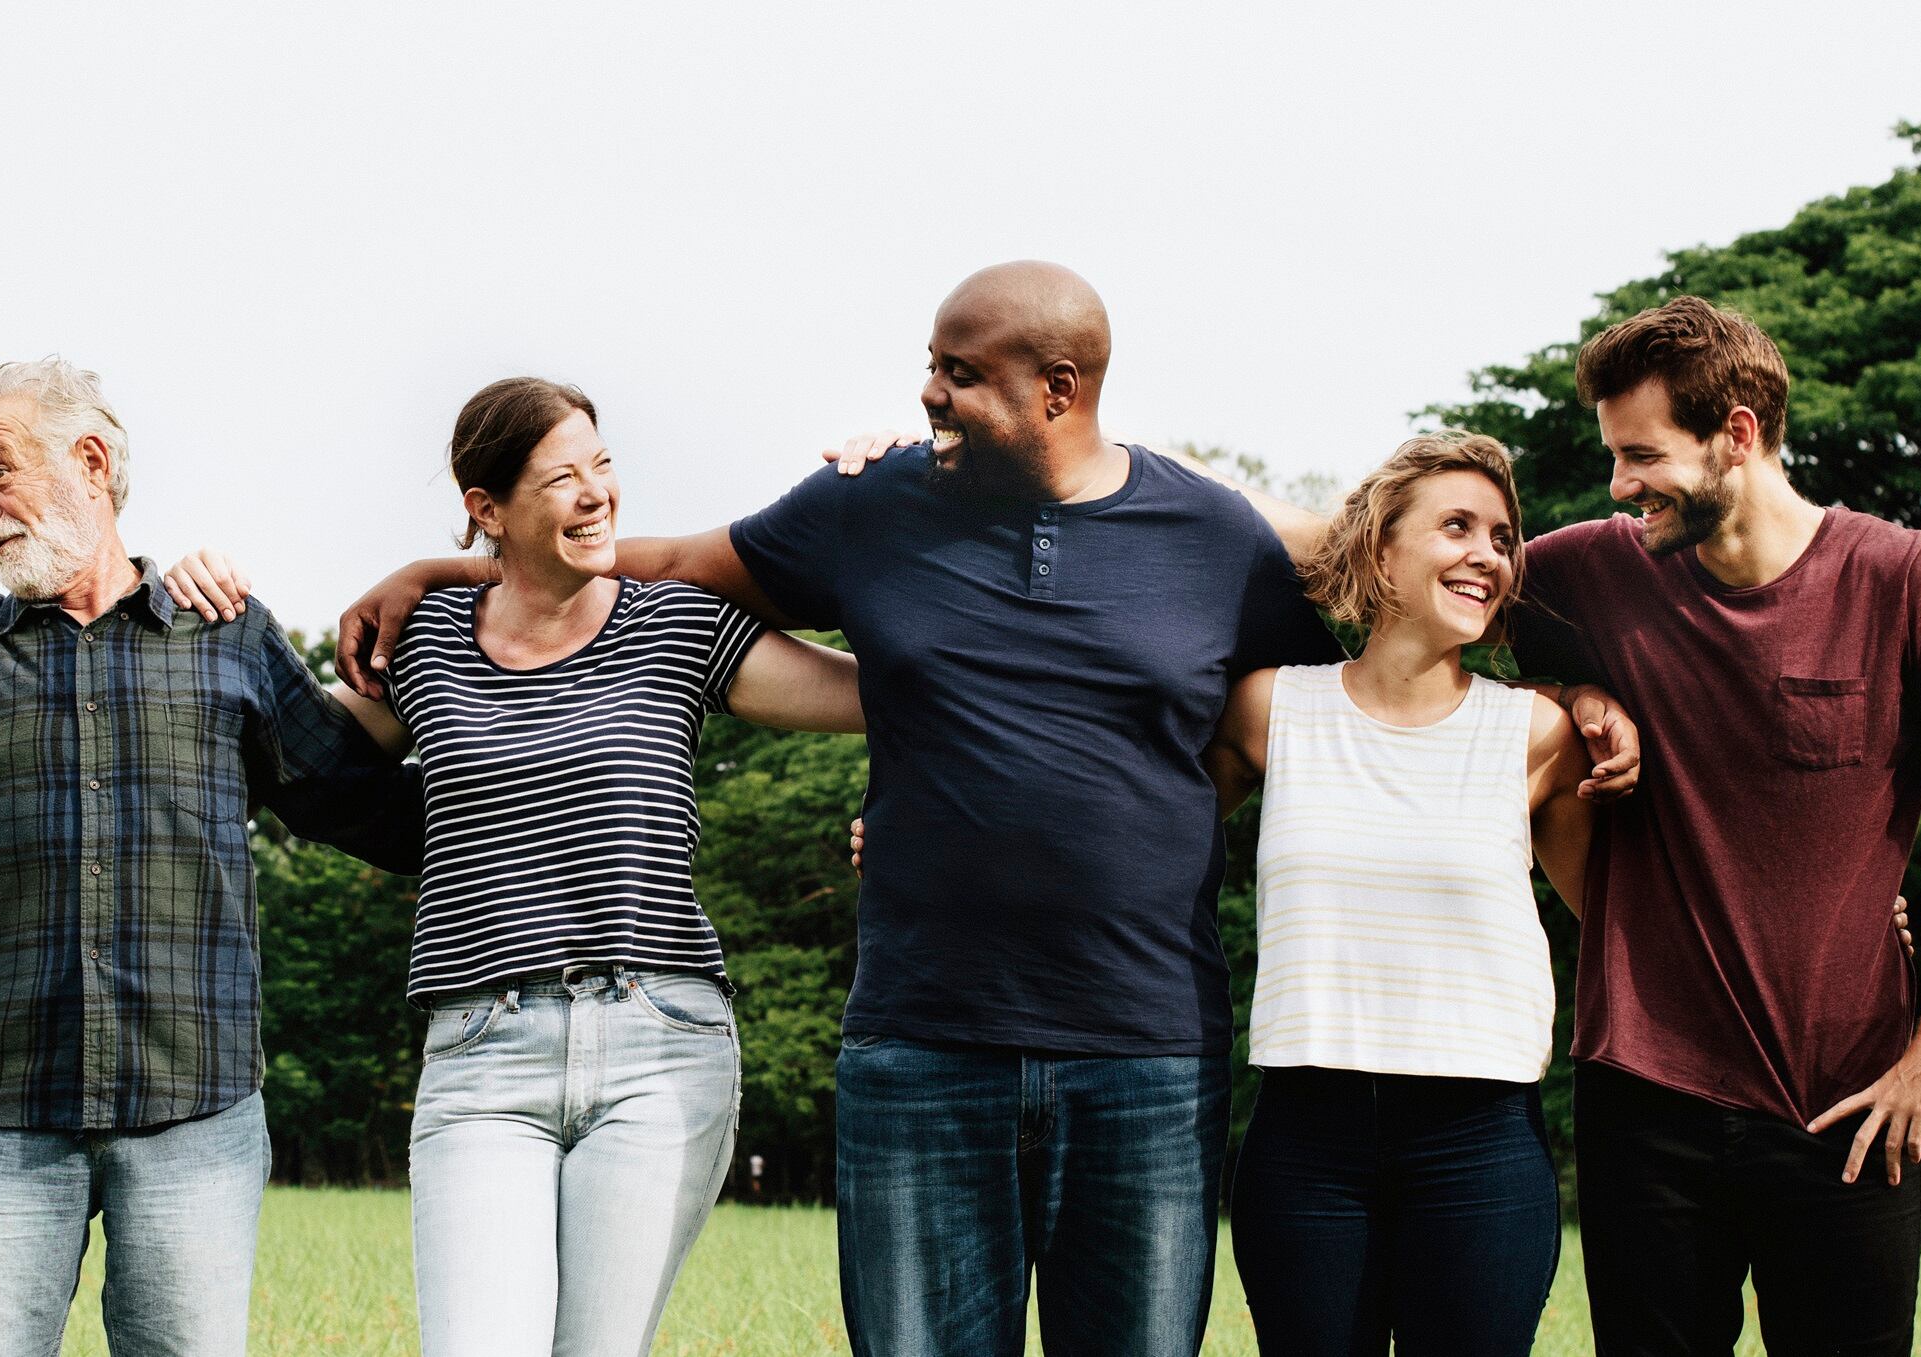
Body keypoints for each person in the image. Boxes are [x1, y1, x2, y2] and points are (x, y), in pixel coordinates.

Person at [335, 263, 1386, 1357]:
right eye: (929, 365)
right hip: (921, 1044)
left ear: (1060, 389)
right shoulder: (873, 505)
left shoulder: (1211, 534)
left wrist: (1173, 814)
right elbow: (687, 562)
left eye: (961, 374)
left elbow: (1318, 695)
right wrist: (455, 566)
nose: (928, 394)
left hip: (1146, 1051)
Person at [1190, 295, 1921, 1357]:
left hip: (1845, 1101)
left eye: (1639, 456)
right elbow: (1355, 545)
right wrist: (1086, 460)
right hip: (1643, 1104)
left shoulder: (1899, 578)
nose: (1618, 486)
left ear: (1738, 435)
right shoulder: (1588, 572)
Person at [163, 376, 863, 1355]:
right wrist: (224, 613)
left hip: (660, 1043)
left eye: (603, 465)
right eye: (561, 477)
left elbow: (878, 697)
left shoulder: (679, 619)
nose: (596, 493)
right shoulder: (429, 639)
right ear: (486, 510)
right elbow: (301, 747)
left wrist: (910, 512)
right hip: (482, 1053)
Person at [0, 357, 425, 1357]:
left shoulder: (228, 637)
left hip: (194, 1109)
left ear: (89, 460)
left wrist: (527, 731)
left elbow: (372, 808)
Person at [1201, 432, 1592, 1356]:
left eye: (1501, 537)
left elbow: (1623, 918)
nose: (1486, 554)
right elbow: (1126, 839)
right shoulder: (1268, 707)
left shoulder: (1536, 733)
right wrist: (925, 837)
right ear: (1379, 549)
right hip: (1306, 1138)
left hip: (1479, 1141)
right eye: (1455, 526)